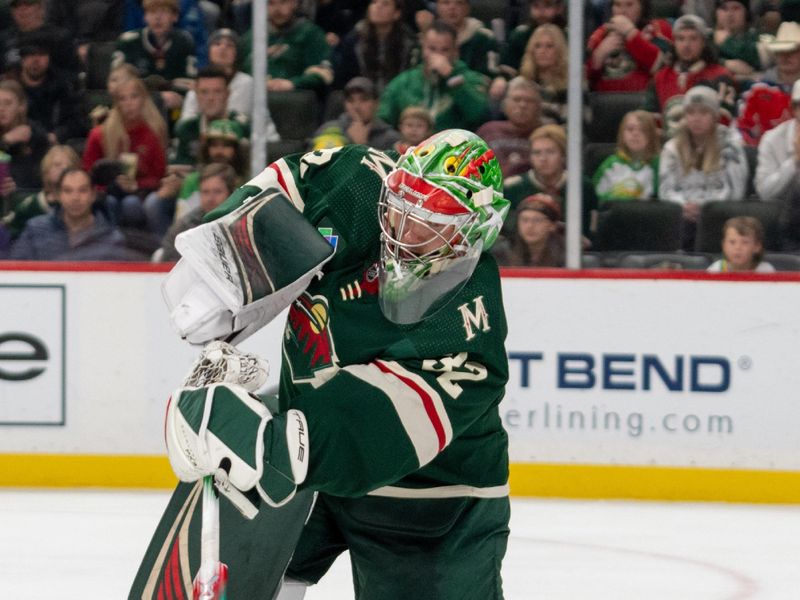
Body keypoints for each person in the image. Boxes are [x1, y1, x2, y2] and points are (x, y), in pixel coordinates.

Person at [153, 129, 512, 598]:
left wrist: (264, 443)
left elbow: (378, 425)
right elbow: (287, 187)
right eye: (401, 206)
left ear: (474, 231)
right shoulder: (360, 183)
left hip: (430, 502)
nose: (404, 230)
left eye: (430, 221)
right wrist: (224, 265)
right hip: (308, 471)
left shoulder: (470, 321)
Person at [659, 85, 748, 249]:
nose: (696, 118)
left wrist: (704, 208)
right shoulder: (671, 148)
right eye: (691, 112)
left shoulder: (731, 146)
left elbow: (735, 191)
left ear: (715, 117)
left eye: (703, 112)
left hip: (719, 217)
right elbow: (666, 190)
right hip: (682, 217)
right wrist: (684, 206)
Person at [82, 76, 169, 227]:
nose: (129, 104)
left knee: (131, 203)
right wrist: (111, 186)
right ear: (116, 103)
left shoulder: (153, 133)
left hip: (141, 194)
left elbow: (158, 176)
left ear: (143, 99)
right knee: (110, 202)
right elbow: (88, 174)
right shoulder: (99, 135)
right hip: (107, 194)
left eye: (134, 97)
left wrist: (136, 185)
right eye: (122, 99)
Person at [377, 20, 490, 131]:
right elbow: (382, 120)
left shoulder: (470, 79)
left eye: (445, 50)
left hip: (452, 147)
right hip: (411, 147)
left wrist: (451, 76)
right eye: (432, 49)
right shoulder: (404, 81)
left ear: (455, 51)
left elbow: (480, 117)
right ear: (422, 48)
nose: (438, 56)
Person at [9, 167, 139, 260]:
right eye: (68, 191)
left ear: (93, 195)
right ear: (59, 195)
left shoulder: (112, 239)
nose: (75, 197)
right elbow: (16, 273)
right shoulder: (35, 229)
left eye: (82, 190)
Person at [643, 14, 735, 138]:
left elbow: (724, 121)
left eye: (693, 39)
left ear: (703, 43)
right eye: (681, 39)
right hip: (667, 147)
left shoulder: (721, 76)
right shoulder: (660, 77)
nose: (686, 44)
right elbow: (647, 120)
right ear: (674, 43)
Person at [504, 123, 598, 240]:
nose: (543, 159)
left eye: (550, 152)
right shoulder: (513, 187)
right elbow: (507, 230)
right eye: (537, 153)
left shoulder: (582, 186)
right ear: (530, 157)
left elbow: (590, 230)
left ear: (563, 156)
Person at [112, 0, 197, 114]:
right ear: (145, 17)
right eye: (152, 12)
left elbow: (189, 82)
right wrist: (155, 98)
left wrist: (180, 97)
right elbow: (116, 85)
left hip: (173, 108)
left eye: (163, 12)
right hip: (135, 108)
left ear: (175, 16)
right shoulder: (128, 42)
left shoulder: (184, 41)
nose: (158, 18)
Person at [6, 31, 88, 145]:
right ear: (22, 59)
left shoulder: (64, 86)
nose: (36, 60)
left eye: (41, 54)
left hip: (54, 147)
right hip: (15, 147)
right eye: (30, 54)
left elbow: (78, 122)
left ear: (49, 58)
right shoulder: (8, 88)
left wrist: (56, 135)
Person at [240, 0, 334, 93]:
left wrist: (293, 83)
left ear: (295, 3)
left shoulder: (311, 34)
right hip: (255, 99)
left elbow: (324, 73)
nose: (277, 9)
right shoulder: (251, 37)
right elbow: (239, 73)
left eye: (283, 2)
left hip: (297, 100)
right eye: (271, 3)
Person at [586, 0, 673, 92]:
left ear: (642, 7)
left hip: (643, 99)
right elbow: (586, 81)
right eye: (617, 5)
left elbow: (664, 70)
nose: (622, 11)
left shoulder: (659, 28)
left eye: (629, 4)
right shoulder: (600, 34)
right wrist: (599, 54)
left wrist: (630, 33)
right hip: (604, 100)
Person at [736, 21, 800, 146]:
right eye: (780, 51)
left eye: (792, 51)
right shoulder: (758, 89)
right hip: (765, 154)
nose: (785, 56)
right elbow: (743, 126)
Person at [333, 0, 418, 93]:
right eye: (374, 2)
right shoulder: (355, 39)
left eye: (385, 4)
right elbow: (345, 76)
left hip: (397, 96)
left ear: (396, 13)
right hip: (362, 96)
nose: (378, 7)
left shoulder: (408, 41)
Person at [156, 162, 236, 261]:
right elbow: (168, 264)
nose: (210, 198)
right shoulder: (183, 228)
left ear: (231, 193)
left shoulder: (243, 225)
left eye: (217, 192)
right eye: (205, 192)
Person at [172, 65, 250, 165]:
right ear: (196, 95)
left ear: (227, 94)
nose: (210, 98)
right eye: (204, 92)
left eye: (217, 92)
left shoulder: (243, 127)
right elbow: (180, 164)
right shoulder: (187, 128)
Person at [755, 79, 800, 249]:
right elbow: (765, 192)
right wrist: (795, 160)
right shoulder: (773, 139)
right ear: (794, 109)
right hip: (784, 223)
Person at [1, 144, 80, 240]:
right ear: (46, 171)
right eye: (57, 165)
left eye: (69, 165)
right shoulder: (31, 204)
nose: (64, 168)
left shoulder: (83, 203)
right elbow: (6, 229)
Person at [179, 28, 257, 121]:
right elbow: (186, 120)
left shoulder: (246, 82)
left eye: (230, 45)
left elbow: (235, 120)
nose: (223, 48)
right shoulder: (202, 81)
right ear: (209, 51)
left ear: (237, 54)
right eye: (217, 44)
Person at [477, 76, 543, 178]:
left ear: (538, 106)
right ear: (504, 104)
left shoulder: (546, 134)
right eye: (517, 99)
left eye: (529, 101)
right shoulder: (488, 131)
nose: (522, 105)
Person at [311, 76, 400, 151]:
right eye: (351, 100)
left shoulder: (391, 139)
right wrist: (350, 141)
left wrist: (362, 146)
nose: (356, 106)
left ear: (376, 104)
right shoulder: (328, 130)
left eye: (364, 100)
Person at [593, 109, 661, 202]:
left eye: (642, 130)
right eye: (630, 129)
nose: (635, 134)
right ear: (622, 134)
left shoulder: (658, 165)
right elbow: (597, 198)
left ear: (651, 135)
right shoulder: (610, 164)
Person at [515, 24, 570, 124]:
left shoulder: (572, 87)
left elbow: (576, 126)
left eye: (549, 46)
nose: (542, 51)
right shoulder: (521, 83)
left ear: (559, 51)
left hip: (557, 137)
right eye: (537, 46)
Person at [0, 79, 49, 191]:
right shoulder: (7, 138)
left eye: (7, 103)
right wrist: (6, 140)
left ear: (21, 106)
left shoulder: (36, 135)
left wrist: (17, 186)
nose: (1, 109)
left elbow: (40, 176)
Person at [491, 193, 565, 267]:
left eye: (537, 220)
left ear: (552, 225)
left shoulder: (566, 253)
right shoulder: (502, 251)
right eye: (524, 220)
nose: (530, 226)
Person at [434, 0, 499, 77]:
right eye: (446, 2)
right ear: (437, 7)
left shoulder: (484, 37)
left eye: (459, 3)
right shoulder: (427, 37)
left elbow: (489, 77)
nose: (452, 8)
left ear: (467, 8)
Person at [712, 0, 770, 80]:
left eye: (736, 8)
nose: (730, 14)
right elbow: (698, 60)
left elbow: (759, 58)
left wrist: (726, 42)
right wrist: (725, 63)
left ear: (746, 13)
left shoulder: (759, 38)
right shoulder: (705, 37)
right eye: (724, 9)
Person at [707, 215, 775, 272]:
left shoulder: (765, 271)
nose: (738, 247)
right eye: (732, 242)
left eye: (745, 242)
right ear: (723, 245)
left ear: (757, 246)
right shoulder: (715, 270)